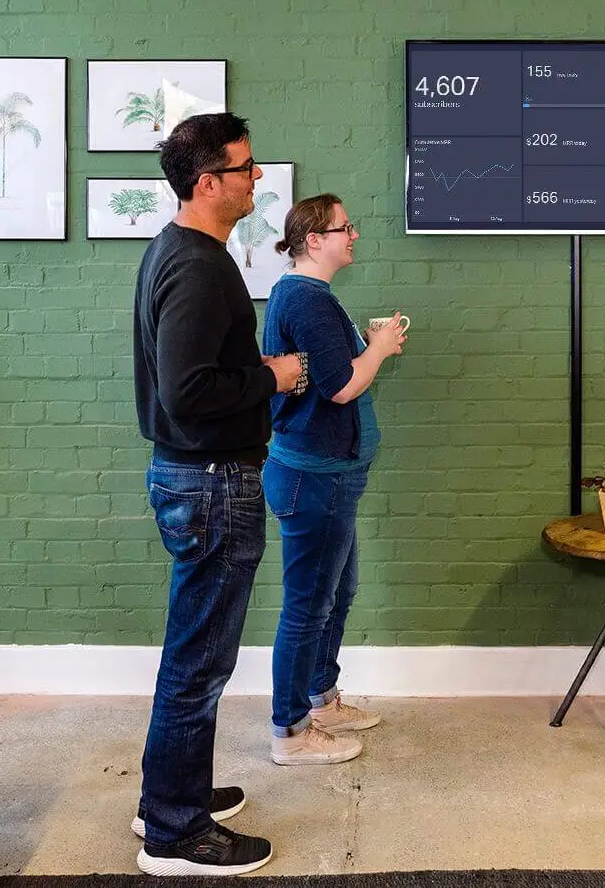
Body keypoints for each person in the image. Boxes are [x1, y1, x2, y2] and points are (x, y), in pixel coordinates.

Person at [132, 112, 302, 876]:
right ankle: (175, 832)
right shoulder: (198, 267)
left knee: (192, 652)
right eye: (245, 166)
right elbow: (188, 390)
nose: (256, 176)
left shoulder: (180, 251)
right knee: (199, 663)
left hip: (196, 478)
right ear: (208, 184)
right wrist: (274, 375)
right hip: (211, 482)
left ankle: (170, 796)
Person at [260, 194, 406, 765]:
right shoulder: (306, 298)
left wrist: (367, 346)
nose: (355, 235)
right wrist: (380, 349)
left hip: (330, 476)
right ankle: (291, 731)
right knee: (308, 606)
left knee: (335, 593)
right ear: (315, 239)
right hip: (314, 479)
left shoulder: (311, 295)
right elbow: (341, 386)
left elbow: (333, 371)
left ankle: (320, 700)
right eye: (346, 228)